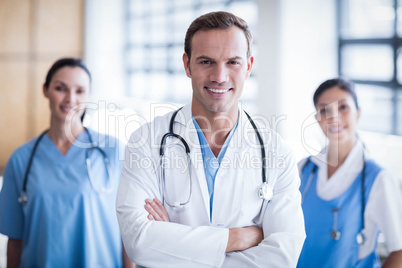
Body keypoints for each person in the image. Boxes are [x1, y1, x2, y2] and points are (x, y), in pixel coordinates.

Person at [116, 11, 305, 268]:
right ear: (187, 65)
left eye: (233, 62)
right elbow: (138, 241)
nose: (219, 76)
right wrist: (237, 237)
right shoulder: (146, 142)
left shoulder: (277, 153)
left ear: (249, 66)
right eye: (206, 62)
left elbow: (283, 257)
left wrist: (173, 245)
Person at [0, 58, 134, 267]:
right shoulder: (21, 159)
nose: (70, 98)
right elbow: (15, 239)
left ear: (89, 95)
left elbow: (129, 228)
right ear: (45, 90)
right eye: (60, 88)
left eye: (80, 91)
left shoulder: (113, 151)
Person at [297, 78, 402, 267]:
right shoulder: (303, 169)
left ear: (358, 113)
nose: (334, 117)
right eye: (324, 110)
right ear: (317, 118)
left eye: (343, 107)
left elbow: (399, 250)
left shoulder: (378, 179)